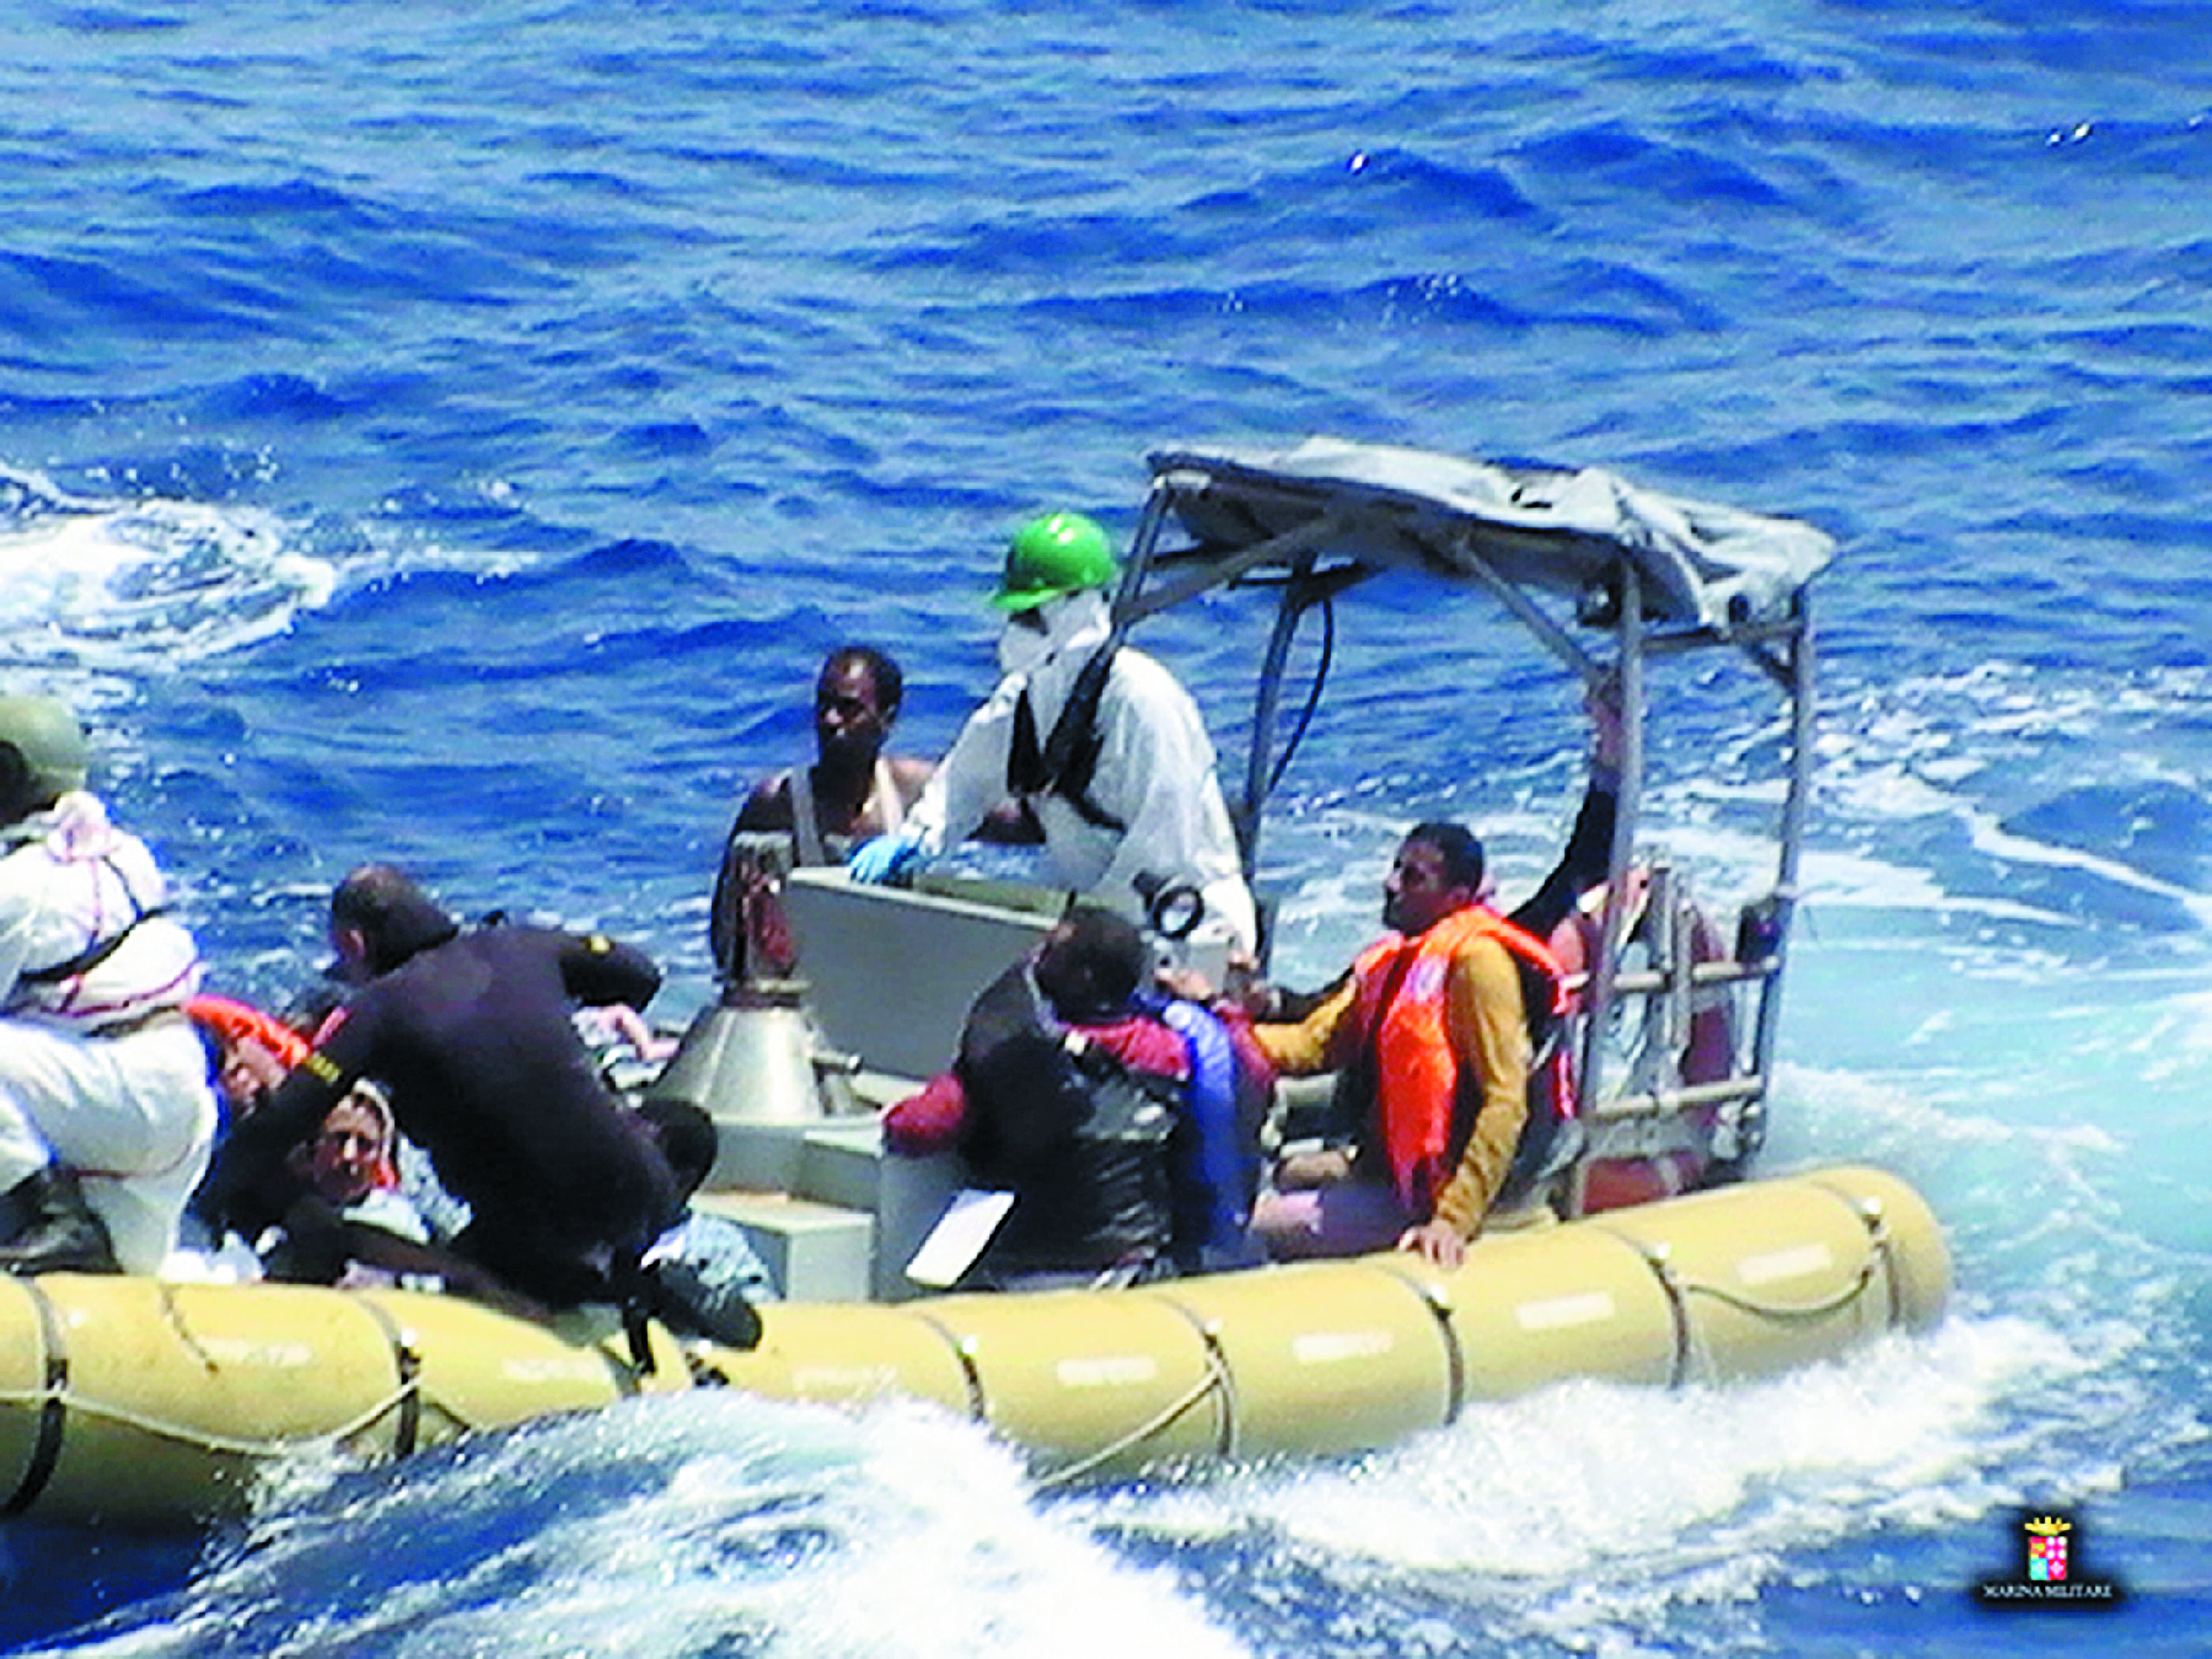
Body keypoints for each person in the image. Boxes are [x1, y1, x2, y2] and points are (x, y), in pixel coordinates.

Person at [197, 864, 759, 1350]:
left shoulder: (378, 1011)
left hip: (538, 1230)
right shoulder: (522, 945)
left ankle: (628, 1293)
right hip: (641, 1187)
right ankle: (638, 1276)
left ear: (354, 944)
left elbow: (281, 1122)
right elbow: (641, 976)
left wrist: (209, 1196)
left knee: (459, 1258)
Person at [1226, 691, 1624, 1269]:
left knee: (1249, 1220)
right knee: (1285, 1170)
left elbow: (1503, 1098)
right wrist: (1214, 1030)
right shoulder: (1396, 961)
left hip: (1444, 1193)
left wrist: (1453, 1219)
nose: (1389, 884)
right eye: (1395, 870)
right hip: (1386, 1162)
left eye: (1410, 877)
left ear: (1459, 897)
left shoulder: (1480, 963)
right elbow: (1316, 1036)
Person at [850, 511, 1259, 960]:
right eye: (1015, 614)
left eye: (1031, 614)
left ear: (1076, 607)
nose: (1015, 627)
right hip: (1087, 932)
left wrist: (1086, 931)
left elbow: (1162, 847)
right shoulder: (1024, 698)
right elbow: (965, 780)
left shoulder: (1146, 702)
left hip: (1187, 934)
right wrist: (916, 841)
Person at [884, 903, 1269, 1287]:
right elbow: (1251, 1074)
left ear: (1082, 978)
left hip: (1031, 1270)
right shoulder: (1173, 1052)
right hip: (1137, 1269)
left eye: (1050, 952)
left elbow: (917, 1128)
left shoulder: (1016, 1051)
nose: (1035, 958)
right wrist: (1216, 1006)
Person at [0, 696, 219, 1277]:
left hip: (121, 1101)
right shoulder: (120, 850)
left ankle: (52, 1216)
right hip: (180, 1105)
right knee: (124, 1279)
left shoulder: (20, 883)